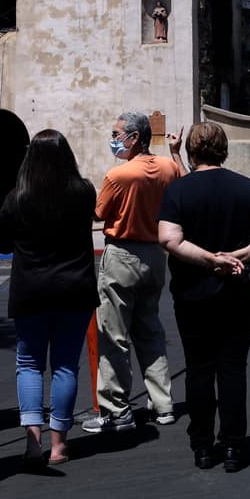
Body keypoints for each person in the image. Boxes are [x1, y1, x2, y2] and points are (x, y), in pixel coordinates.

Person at [158, 121, 250, 472]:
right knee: (232, 368)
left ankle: (202, 446)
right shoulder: (248, 188)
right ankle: (233, 445)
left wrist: (212, 260)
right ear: (224, 149)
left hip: (193, 292)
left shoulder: (179, 192)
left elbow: (170, 239)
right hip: (240, 290)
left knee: (198, 368)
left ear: (192, 151)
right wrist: (239, 255)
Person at [0, 130, 99, 466]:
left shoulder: (17, 197)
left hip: (31, 289)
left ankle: (32, 440)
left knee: (29, 364)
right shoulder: (83, 192)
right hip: (75, 287)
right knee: (66, 365)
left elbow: (1, 245)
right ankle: (59, 445)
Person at [82, 111, 186, 433]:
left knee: (114, 335)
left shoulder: (119, 175)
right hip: (155, 255)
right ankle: (163, 404)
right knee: (150, 331)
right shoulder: (168, 168)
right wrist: (175, 152)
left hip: (123, 255)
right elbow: (184, 187)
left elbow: (99, 213)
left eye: (117, 134)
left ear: (134, 137)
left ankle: (116, 409)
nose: (114, 140)